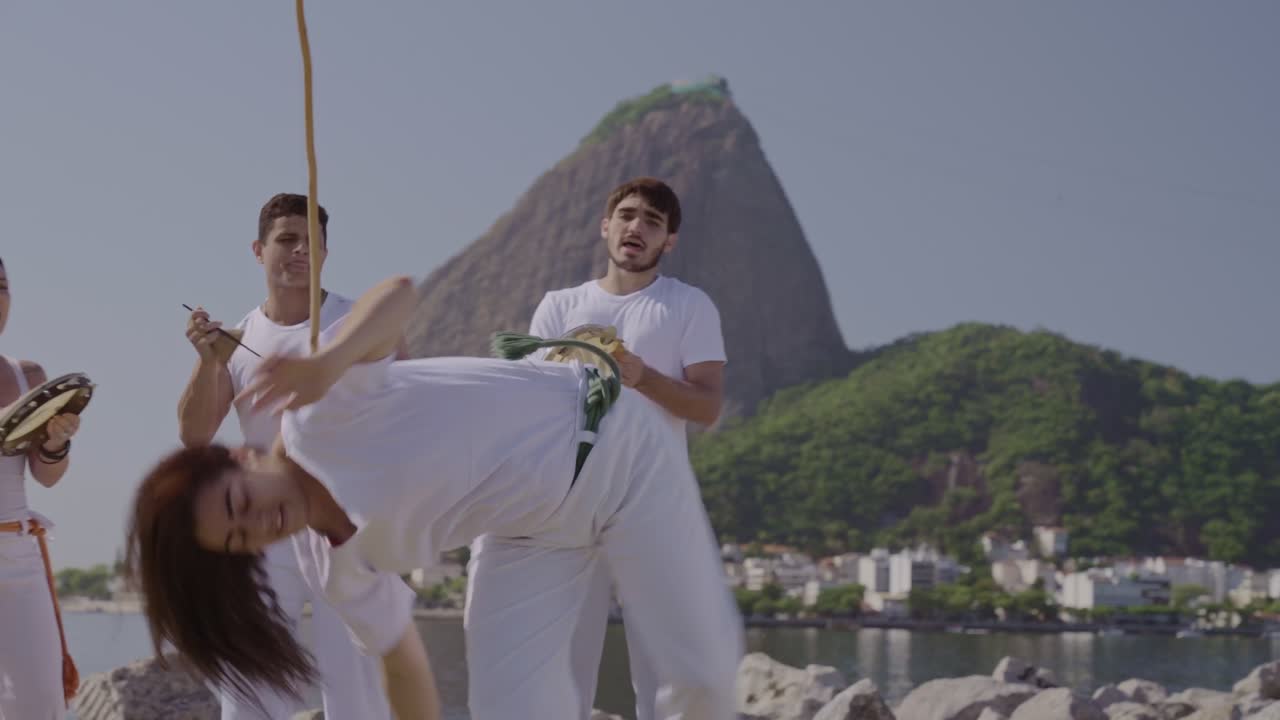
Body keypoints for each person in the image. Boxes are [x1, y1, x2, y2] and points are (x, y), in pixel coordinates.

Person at [128, 272, 744, 720]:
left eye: (239, 504)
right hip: (528, 534)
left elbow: (398, 294)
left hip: (616, 451)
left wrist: (328, 361)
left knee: (700, 682)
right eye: (241, 540)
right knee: (510, 709)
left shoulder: (320, 412)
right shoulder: (340, 570)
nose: (259, 524)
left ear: (242, 457)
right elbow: (405, 672)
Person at [469, 177, 728, 719]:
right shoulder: (560, 305)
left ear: (669, 241)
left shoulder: (688, 305)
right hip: (569, 510)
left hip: (654, 503)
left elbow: (706, 408)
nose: (637, 226)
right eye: (628, 215)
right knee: (565, 672)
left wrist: (637, 374)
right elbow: (526, 407)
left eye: (653, 222)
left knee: (667, 679)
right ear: (605, 226)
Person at [177, 193, 397, 720]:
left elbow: (404, 412)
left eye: (312, 243)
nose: (300, 252)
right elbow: (194, 434)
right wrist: (210, 364)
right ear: (258, 250)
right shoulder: (237, 338)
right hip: (261, 529)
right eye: (286, 240)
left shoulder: (357, 323)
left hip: (347, 523)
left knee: (358, 695)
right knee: (251, 690)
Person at [0, 256, 83, 719]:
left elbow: (46, 476)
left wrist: (55, 444)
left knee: (38, 704)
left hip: (18, 556)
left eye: (3, 285)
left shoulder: (25, 375)